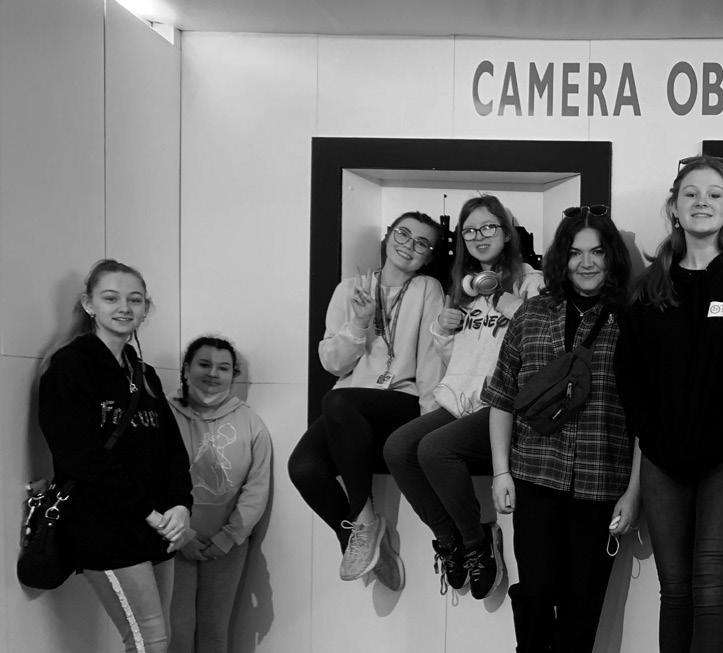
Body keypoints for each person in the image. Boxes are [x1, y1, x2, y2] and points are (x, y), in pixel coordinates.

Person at [618, 156, 723, 652]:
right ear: (673, 207)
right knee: (675, 592)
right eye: (690, 194)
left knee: (713, 591)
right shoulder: (648, 290)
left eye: (715, 194)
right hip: (663, 460)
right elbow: (631, 379)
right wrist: (655, 439)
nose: (701, 203)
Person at [484, 206, 637, 653]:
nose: (586, 263)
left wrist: (634, 492)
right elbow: (502, 397)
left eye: (597, 252)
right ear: (561, 258)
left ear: (612, 257)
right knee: (534, 594)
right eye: (575, 252)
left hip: (600, 483)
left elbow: (645, 417)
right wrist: (500, 472)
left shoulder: (633, 321)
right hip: (535, 476)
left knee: (581, 608)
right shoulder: (532, 315)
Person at [384, 195, 542, 599]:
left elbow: (544, 344)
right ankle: (449, 539)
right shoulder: (464, 287)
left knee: (435, 449)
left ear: (506, 233)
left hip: (503, 405)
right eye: (469, 231)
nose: (479, 236)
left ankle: (477, 544)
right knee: (398, 448)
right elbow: (455, 357)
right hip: (460, 400)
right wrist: (443, 327)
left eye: (488, 227)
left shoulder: (531, 281)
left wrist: (517, 310)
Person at [38, 259, 194, 653]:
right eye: (111, 298)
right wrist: (149, 511)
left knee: (159, 637)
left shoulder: (143, 372)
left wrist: (180, 505)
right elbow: (79, 456)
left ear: (146, 308)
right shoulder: (70, 366)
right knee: (149, 641)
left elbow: (171, 449)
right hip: (104, 525)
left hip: (157, 526)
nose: (124, 307)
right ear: (88, 304)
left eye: (135, 300)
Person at [287, 211, 446, 589]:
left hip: (400, 401)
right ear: (388, 236)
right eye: (403, 234)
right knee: (303, 469)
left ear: (428, 256)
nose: (409, 245)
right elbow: (333, 363)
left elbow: (430, 360)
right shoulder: (350, 289)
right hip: (348, 406)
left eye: (422, 243)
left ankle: (363, 520)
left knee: (338, 402)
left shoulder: (428, 289)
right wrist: (359, 322)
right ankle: (365, 542)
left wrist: (429, 422)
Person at [167, 336, 272, 653]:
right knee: (177, 632)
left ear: (233, 375)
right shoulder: (164, 415)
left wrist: (229, 537)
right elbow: (151, 478)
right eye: (204, 364)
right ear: (187, 369)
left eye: (223, 368)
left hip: (227, 546)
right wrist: (181, 536)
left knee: (215, 633)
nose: (213, 373)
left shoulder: (251, 422)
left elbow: (257, 488)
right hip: (172, 542)